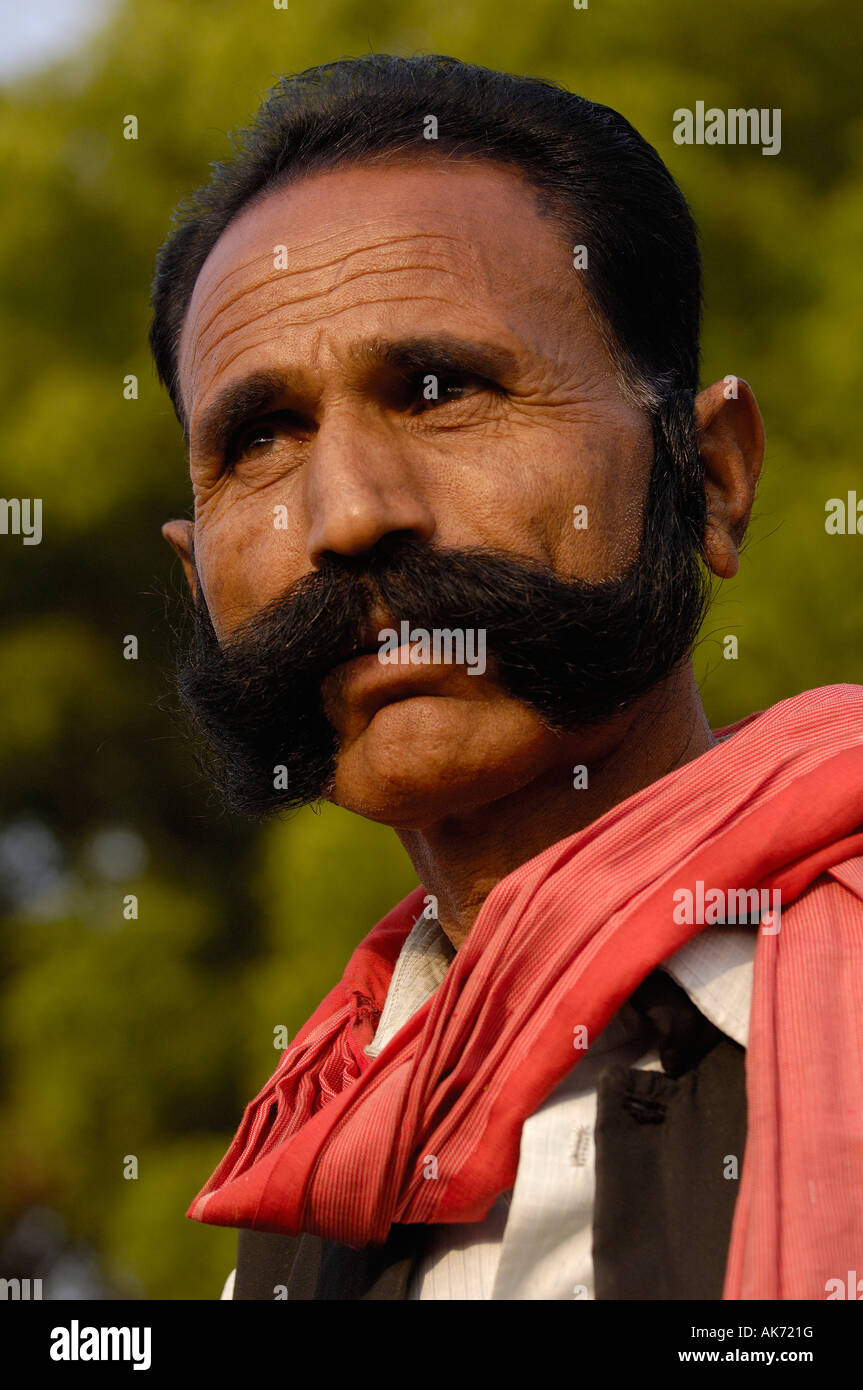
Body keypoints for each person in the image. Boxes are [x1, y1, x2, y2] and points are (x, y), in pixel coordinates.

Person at [149, 54, 863, 1300]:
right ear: (195, 579)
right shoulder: (304, 1178)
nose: (350, 514)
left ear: (708, 479)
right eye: (260, 438)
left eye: (440, 393)